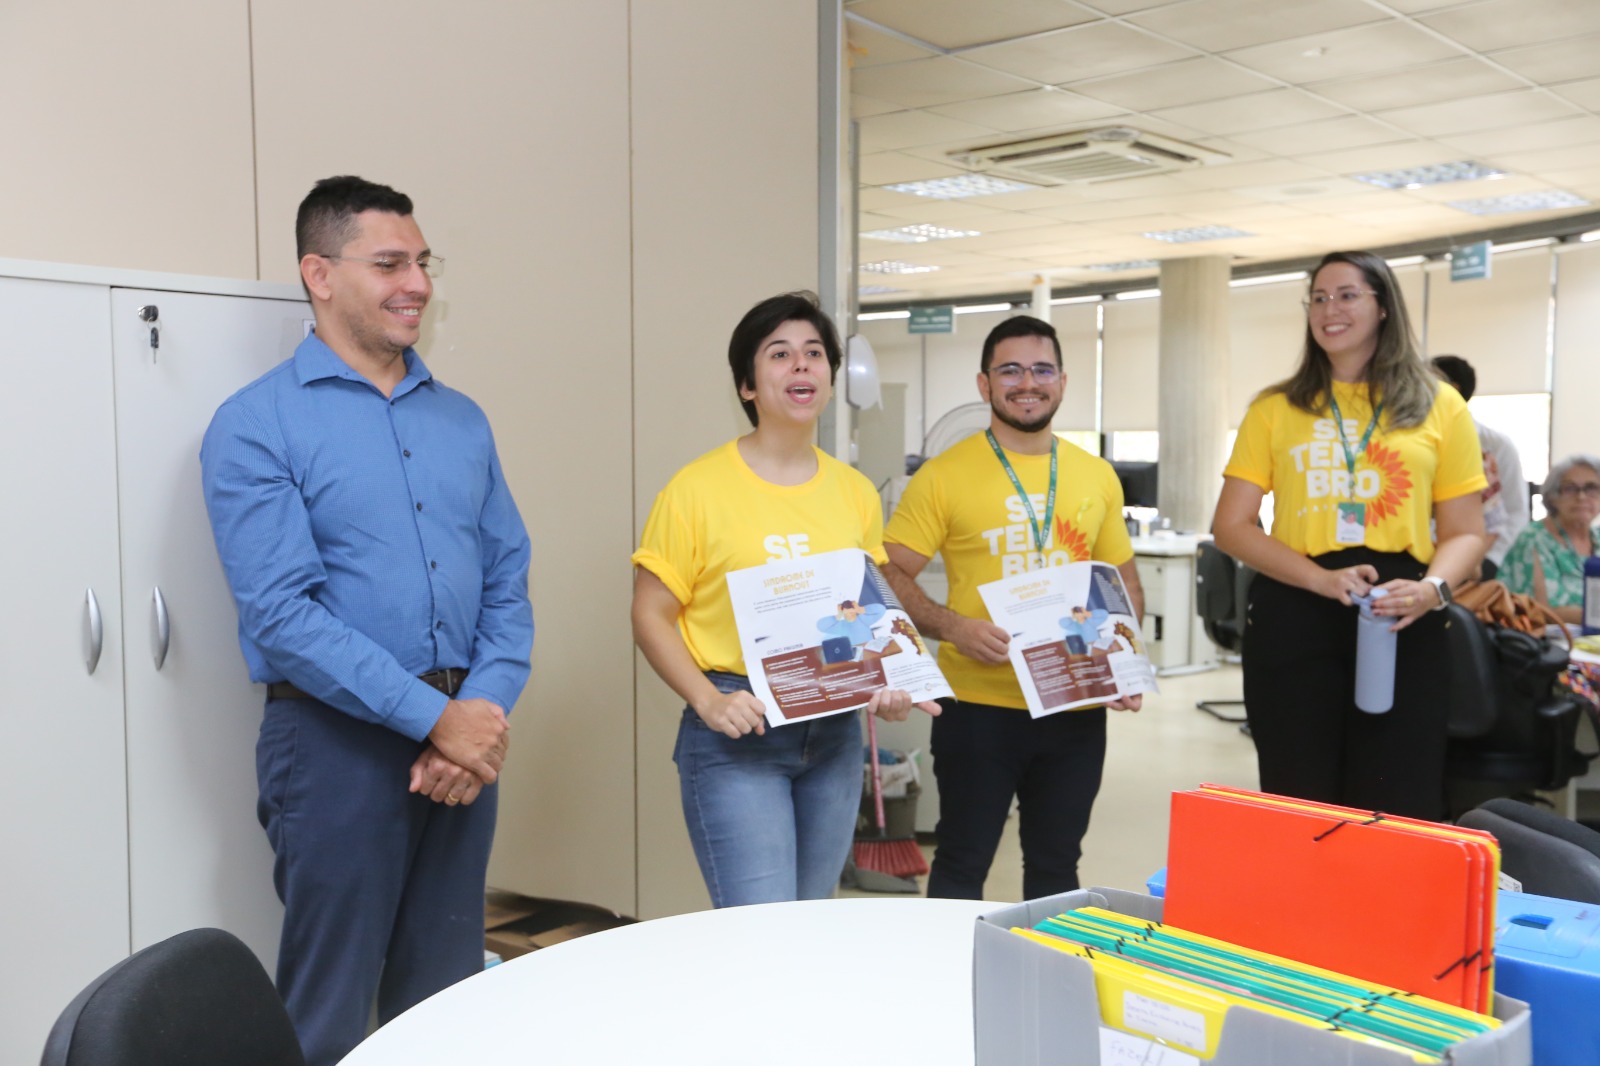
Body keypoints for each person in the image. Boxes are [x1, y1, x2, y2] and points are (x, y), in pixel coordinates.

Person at [201, 176, 533, 1065]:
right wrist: (438, 720)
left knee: (448, 1002)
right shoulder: (256, 423)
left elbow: (508, 581)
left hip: (465, 741)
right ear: (320, 274)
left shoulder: (462, 422)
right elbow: (281, 614)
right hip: (332, 745)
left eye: (422, 262)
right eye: (389, 264)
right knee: (331, 1014)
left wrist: (478, 715)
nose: (416, 283)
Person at [630, 291, 938, 908]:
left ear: (829, 378)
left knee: (810, 927)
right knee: (760, 931)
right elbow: (650, 613)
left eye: (814, 353)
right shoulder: (696, 489)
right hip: (738, 731)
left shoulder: (854, 492)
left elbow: (864, 611)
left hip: (835, 734)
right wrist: (707, 700)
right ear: (747, 385)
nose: (801, 364)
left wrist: (889, 678)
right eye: (779, 354)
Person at [1213, 250, 1485, 822]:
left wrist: (1433, 589)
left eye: (1346, 295)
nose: (1328, 309)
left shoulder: (1439, 405)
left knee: (1397, 796)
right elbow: (1231, 527)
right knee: (1299, 793)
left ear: (1383, 307)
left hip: (1401, 612)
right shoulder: (1275, 408)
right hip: (1297, 604)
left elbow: (1466, 532)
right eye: (1318, 298)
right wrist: (1319, 579)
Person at [881, 314, 1144, 901]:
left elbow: (1121, 580)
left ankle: (1043, 963)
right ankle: (950, 963)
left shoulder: (1096, 475)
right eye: (1011, 370)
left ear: (1063, 381)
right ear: (985, 384)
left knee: (1057, 865)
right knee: (962, 861)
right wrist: (951, 627)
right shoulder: (943, 476)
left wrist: (1123, 664)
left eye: (1042, 369)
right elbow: (887, 573)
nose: (1028, 382)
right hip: (978, 708)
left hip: (1074, 702)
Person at [1431, 355, 1529, 575]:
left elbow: (1514, 512)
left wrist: (1489, 562)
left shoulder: (1495, 446)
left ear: (1452, 390)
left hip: (1479, 564)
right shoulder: (1411, 442)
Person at [1500, 455, 1600, 625]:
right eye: (1570, 488)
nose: (1582, 497)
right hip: (1549, 638)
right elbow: (1542, 611)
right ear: (1553, 496)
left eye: (1591, 488)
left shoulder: (1597, 537)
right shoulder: (1534, 538)